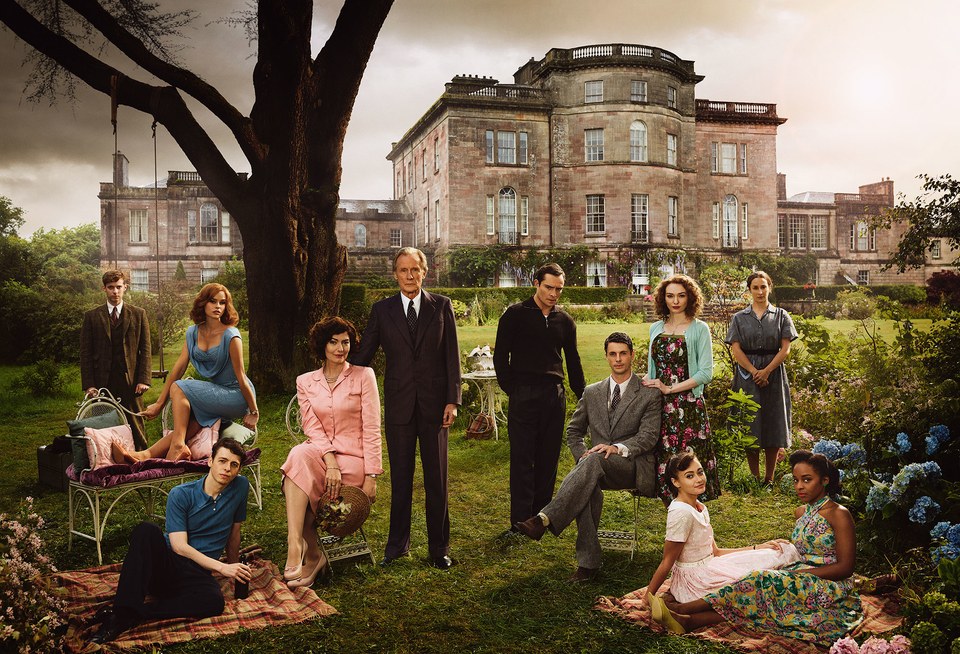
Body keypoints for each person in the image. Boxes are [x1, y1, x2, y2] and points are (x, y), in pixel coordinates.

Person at [648, 450, 863, 646]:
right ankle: (689, 621)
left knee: (760, 580)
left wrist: (798, 574)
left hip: (829, 583)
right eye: (796, 480)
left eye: (807, 480)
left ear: (825, 480)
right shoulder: (801, 512)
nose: (799, 486)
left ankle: (683, 609)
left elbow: (846, 568)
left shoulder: (839, 514)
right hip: (800, 573)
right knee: (759, 594)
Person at [514, 332, 660, 582]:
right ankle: (587, 565)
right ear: (606, 357)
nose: (618, 359)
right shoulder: (592, 392)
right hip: (595, 467)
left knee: (592, 464)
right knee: (588, 481)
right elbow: (574, 431)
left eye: (623, 353)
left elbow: (648, 437)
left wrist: (617, 448)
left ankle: (544, 518)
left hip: (631, 465)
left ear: (632, 356)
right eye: (612, 354)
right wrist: (582, 455)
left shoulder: (649, 393)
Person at [350, 247, 461, 569]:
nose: (409, 276)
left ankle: (439, 549)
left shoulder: (441, 306)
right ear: (395, 274)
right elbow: (364, 355)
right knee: (400, 480)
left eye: (415, 269)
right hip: (399, 406)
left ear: (425, 272)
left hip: (435, 407)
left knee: (437, 480)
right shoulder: (382, 310)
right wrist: (335, 363)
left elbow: (452, 355)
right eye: (403, 270)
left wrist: (452, 400)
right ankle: (397, 546)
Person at [89, 437, 252, 643]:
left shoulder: (240, 487)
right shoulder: (181, 494)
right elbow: (179, 546)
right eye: (222, 461)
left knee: (214, 602)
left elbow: (234, 532)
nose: (227, 468)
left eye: (234, 465)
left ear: (239, 470)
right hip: (167, 566)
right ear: (210, 461)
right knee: (146, 530)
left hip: (198, 573)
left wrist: (235, 568)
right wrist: (222, 567)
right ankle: (120, 615)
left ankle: (136, 613)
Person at [280, 317, 383, 587]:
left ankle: (313, 555)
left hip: (355, 461)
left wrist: (372, 475)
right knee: (298, 455)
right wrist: (330, 461)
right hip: (321, 454)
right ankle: (296, 544)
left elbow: (372, 427)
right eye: (333, 342)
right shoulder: (305, 381)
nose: (340, 348)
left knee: (297, 482)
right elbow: (312, 427)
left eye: (345, 342)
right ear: (322, 346)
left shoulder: (364, 376)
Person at [494, 263, 586, 535]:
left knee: (548, 458)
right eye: (549, 287)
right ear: (536, 283)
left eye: (559, 289)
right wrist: (513, 389)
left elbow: (573, 362)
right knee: (522, 459)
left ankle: (539, 519)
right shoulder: (515, 315)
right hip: (523, 393)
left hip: (553, 396)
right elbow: (500, 357)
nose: (554, 294)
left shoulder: (565, 321)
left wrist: (583, 397)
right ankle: (519, 521)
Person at [119, 283, 258, 462]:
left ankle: (178, 445)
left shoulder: (231, 335)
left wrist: (254, 411)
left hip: (237, 396)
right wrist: (159, 403)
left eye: (222, 303)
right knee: (190, 421)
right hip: (216, 394)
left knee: (179, 387)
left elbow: (241, 377)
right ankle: (144, 455)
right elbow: (178, 369)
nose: (218, 306)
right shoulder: (193, 333)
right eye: (213, 301)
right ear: (203, 303)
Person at [641, 449, 799, 605]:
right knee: (757, 582)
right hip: (696, 582)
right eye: (689, 476)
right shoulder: (681, 513)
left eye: (700, 472)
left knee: (783, 550)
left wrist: (757, 548)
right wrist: (648, 597)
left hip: (712, 564)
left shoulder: (698, 506)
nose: (698, 479)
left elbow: (715, 552)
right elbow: (667, 561)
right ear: (676, 482)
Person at [642, 274, 719, 502]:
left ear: (690, 298)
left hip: (688, 406)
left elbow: (705, 373)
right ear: (663, 298)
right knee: (667, 464)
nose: (675, 301)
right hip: (660, 407)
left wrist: (670, 389)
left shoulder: (699, 329)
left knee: (688, 465)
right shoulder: (656, 328)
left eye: (681, 296)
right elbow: (653, 369)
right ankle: (674, 515)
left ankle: (694, 517)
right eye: (670, 296)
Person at [725, 270, 798, 485]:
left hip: (773, 373)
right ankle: (754, 477)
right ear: (749, 290)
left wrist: (766, 371)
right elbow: (736, 349)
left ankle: (769, 478)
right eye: (755, 287)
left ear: (769, 288)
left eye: (763, 287)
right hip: (747, 375)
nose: (759, 291)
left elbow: (785, 349)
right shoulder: (739, 318)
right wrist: (753, 371)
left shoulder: (781, 316)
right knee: (750, 421)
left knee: (773, 421)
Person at [80, 269, 152, 449]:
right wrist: (89, 384)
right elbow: (86, 353)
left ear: (125, 287)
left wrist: (144, 379)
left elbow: (145, 349)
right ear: (104, 288)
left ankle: (141, 459)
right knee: (102, 427)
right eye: (111, 287)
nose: (115, 291)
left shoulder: (138, 314)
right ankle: (106, 460)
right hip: (102, 382)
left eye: (119, 287)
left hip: (131, 381)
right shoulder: (92, 316)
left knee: (135, 424)